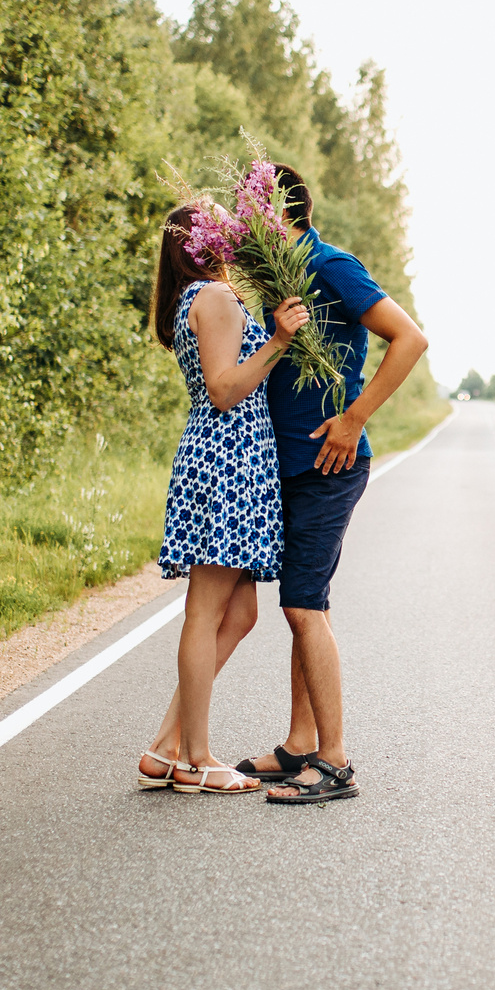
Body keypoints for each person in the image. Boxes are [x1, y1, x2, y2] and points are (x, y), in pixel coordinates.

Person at [236, 163, 428, 805]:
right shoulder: (278, 280)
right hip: (288, 462)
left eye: (248, 212)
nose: (239, 225)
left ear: (278, 214)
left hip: (331, 465)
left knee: (303, 604)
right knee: (303, 602)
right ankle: (299, 745)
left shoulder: (332, 266)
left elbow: (410, 338)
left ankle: (336, 761)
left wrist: (353, 418)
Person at [137, 203, 310, 795]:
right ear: (199, 243)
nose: (232, 229)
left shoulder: (207, 296)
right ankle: (195, 759)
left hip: (237, 458)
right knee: (206, 611)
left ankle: (165, 747)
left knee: (239, 613)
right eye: (219, 223)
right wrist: (281, 339)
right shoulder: (212, 297)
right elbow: (224, 389)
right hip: (226, 460)